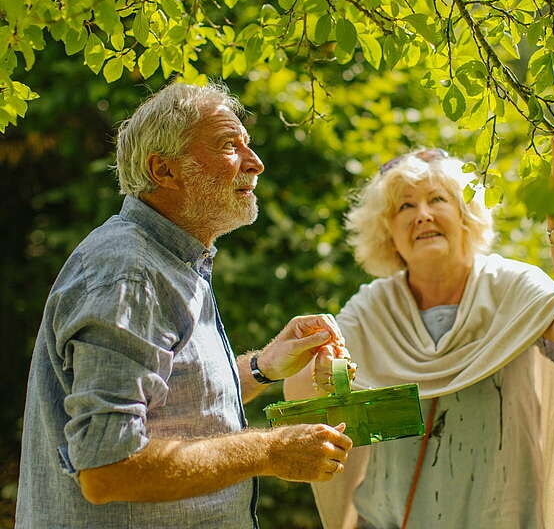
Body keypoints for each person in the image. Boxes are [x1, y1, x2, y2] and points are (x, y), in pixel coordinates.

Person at [15, 82, 353, 529]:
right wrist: (268, 451)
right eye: (230, 146)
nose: (256, 163)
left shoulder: (171, 260)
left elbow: (172, 402)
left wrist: (264, 367)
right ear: (164, 170)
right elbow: (105, 469)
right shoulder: (130, 273)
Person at [286, 144, 554, 529]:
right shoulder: (371, 308)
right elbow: (318, 389)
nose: (423, 215)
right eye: (405, 206)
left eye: (438, 199)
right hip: (389, 517)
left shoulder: (511, 285)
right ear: (387, 232)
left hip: (501, 515)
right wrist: (321, 373)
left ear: (465, 216)